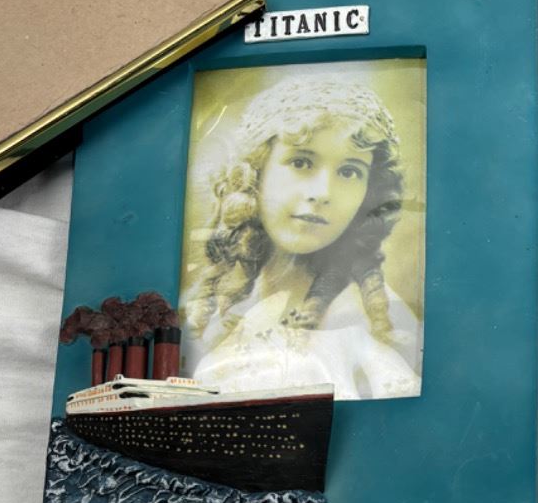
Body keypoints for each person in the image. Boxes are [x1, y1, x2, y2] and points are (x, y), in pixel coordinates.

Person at [181, 74, 423, 399]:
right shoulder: (210, 309)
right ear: (256, 172)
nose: (322, 192)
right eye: (301, 162)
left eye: (349, 171)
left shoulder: (371, 323)